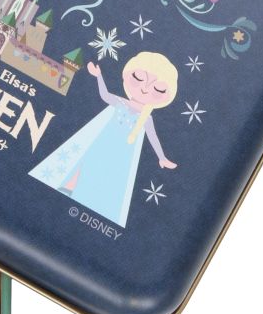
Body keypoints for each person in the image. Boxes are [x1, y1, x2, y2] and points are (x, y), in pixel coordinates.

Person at [29, 51, 179, 227]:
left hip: (124, 153)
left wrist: (162, 157)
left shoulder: (147, 118)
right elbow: (105, 96)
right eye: (138, 78)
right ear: (126, 76)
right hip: (104, 141)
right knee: (86, 163)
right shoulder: (121, 102)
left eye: (158, 89)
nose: (144, 89)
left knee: (111, 178)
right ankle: (69, 189)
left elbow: (153, 137)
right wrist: (99, 76)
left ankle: (95, 203)